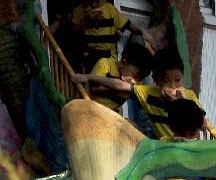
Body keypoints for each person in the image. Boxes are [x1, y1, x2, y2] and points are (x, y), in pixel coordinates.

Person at [75, 48, 203, 140]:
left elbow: (201, 125)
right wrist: (89, 77)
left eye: (178, 79)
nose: (173, 86)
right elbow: (120, 85)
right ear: (156, 81)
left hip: (191, 152)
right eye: (166, 81)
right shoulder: (148, 94)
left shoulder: (189, 96)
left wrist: (181, 105)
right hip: (166, 150)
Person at [71, 0, 155, 71]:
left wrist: (143, 31)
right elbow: (74, 35)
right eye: (89, 0)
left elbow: (128, 24)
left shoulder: (110, 10)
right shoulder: (79, 11)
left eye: (97, 1)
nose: (93, 5)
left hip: (108, 58)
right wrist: (86, 20)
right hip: (88, 57)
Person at [75, 41, 152, 112]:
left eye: (140, 78)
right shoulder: (105, 64)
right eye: (135, 75)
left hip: (107, 117)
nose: (136, 80)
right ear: (123, 63)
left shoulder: (135, 84)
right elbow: (94, 88)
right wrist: (121, 87)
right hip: (87, 109)